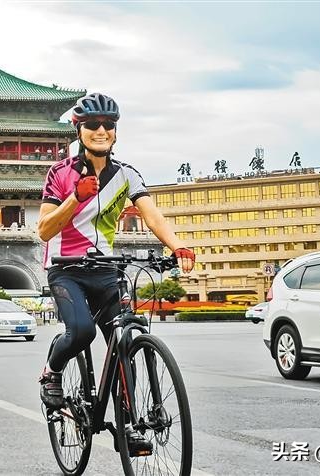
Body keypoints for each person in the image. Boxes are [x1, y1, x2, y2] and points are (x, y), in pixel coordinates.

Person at [36, 93, 195, 454]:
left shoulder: (126, 174)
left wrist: (176, 246)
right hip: (67, 270)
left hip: (107, 270)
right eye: (93, 125)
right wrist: (75, 198)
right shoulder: (59, 174)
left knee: (124, 340)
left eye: (109, 125)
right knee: (80, 331)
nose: (102, 130)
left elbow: (151, 214)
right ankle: (51, 371)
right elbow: (44, 230)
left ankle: (129, 424)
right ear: (79, 129)